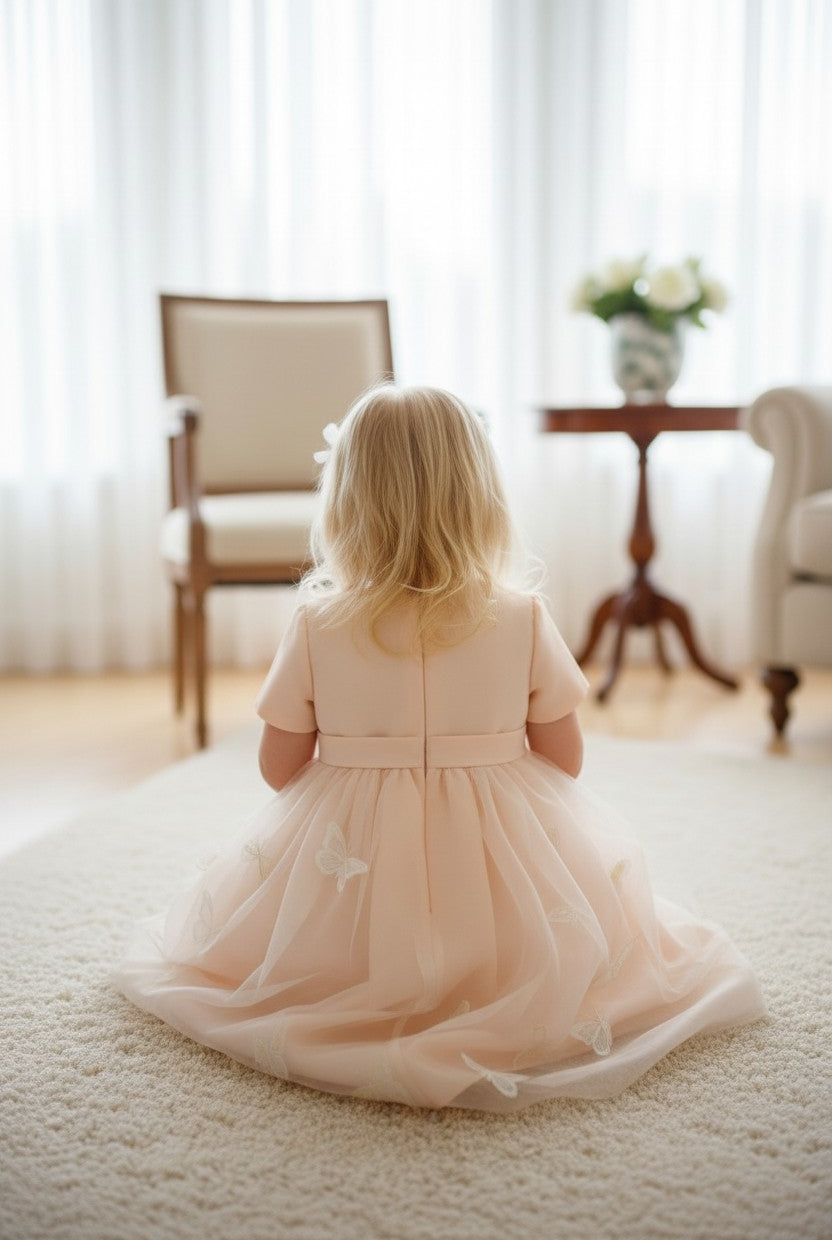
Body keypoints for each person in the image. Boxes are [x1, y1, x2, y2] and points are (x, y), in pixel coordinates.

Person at [112, 384, 766, 1112]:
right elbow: (565, 760)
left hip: (353, 859)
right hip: (500, 856)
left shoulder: (317, 623)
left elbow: (279, 768)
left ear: (345, 500)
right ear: (481, 496)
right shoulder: (522, 616)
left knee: (280, 948)